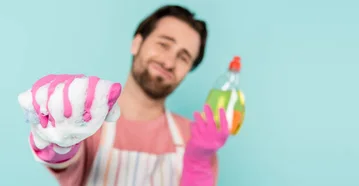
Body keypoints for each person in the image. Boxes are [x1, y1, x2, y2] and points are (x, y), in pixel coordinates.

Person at [20, 5, 229, 186]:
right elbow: (61, 162)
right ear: (137, 43)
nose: (168, 62)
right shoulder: (87, 121)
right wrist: (53, 139)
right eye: (163, 44)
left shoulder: (196, 140)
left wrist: (199, 161)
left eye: (183, 57)